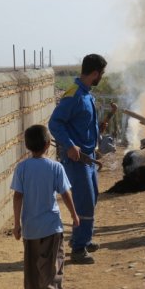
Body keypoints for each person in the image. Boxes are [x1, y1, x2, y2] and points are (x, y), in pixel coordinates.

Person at [11, 124, 79, 289]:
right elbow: (65, 193)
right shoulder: (55, 167)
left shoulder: (22, 168)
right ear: (49, 144)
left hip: (30, 230)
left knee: (32, 268)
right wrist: (74, 215)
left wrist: (17, 224)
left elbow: (17, 196)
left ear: (27, 145)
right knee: (52, 268)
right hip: (51, 229)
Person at [49, 53, 107, 264]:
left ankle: (83, 238)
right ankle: (79, 248)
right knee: (84, 202)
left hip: (89, 158)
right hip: (77, 159)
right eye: (101, 73)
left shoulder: (86, 94)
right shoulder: (73, 95)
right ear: (94, 73)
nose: (101, 77)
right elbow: (55, 123)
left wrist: (97, 132)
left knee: (91, 198)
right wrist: (69, 144)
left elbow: (81, 123)